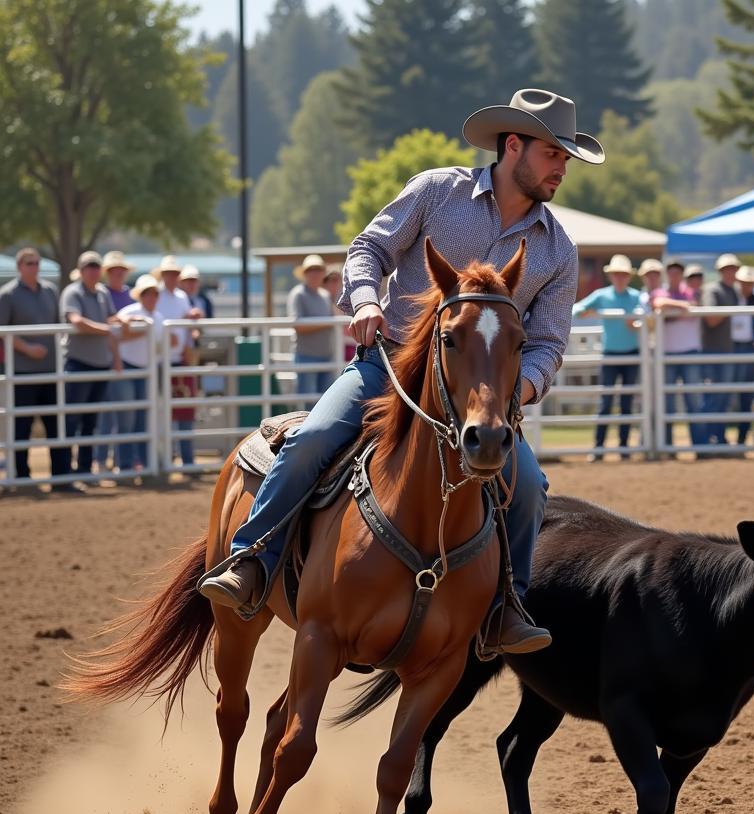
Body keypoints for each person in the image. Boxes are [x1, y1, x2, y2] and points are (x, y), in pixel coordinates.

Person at [198, 87, 604, 657]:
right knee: (313, 438)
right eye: (553, 154)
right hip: (386, 368)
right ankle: (252, 559)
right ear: (514, 146)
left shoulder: (557, 248)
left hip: (480, 400)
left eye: (565, 158)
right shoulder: (438, 191)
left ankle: (505, 606)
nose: (562, 168)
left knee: (531, 486)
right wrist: (365, 299)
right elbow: (369, 249)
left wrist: (523, 387)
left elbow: (548, 342)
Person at [0, 247, 71, 483]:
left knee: (56, 424)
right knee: (22, 427)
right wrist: (27, 348)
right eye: (29, 263)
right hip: (23, 373)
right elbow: (2, 332)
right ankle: (22, 477)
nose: (34, 267)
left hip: (51, 371)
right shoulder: (8, 295)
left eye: (37, 263)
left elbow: (59, 326)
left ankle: (61, 477)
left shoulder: (50, 291)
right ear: (20, 266)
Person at [573, 254, 643, 458]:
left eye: (623, 274)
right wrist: (588, 312)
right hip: (610, 354)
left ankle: (623, 447)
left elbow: (646, 317)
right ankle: (599, 447)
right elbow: (576, 309)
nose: (619, 278)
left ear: (628, 277)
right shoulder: (602, 296)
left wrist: (637, 323)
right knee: (605, 402)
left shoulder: (636, 296)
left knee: (627, 403)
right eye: (616, 274)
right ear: (611, 276)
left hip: (631, 354)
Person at [59, 251, 121, 476]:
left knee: (90, 421)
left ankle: (84, 469)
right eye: (90, 267)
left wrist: (123, 321)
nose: (94, 271)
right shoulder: (72, 292)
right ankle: (65, 471)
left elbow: (110, 319)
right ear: (81, 270)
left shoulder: (102, 293)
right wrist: (107, 329)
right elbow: (76, 320)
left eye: (96, 267)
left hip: (99, 364)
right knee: (72, 420)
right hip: (79, 363)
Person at [111, 274, 164, 473]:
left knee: (143, 418)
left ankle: (142, 462)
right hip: (128, 366)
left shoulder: (158, 318)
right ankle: (125, 464)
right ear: (140, 296)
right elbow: (113, 329)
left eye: (154, 294)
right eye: (147, 293)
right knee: (127, 418)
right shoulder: (129, 312)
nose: (151, 297)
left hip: (146, 370)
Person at [153, 255, 202, 466]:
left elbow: (185, 327)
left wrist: (186, 346)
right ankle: (167, 458)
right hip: (162, 360)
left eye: (174, 274)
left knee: (183, 408)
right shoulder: (158, 296)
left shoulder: (181, 297)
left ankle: (184, 458)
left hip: (179, 360)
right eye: (168, 274)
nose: (172, 277)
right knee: (164, 410)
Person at [650, 260, 704, 447]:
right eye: (671, 272)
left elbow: (693, 305)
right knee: (668, 403)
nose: (674, 276)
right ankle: (668, 447)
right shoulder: (661, 292)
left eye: (677, 273)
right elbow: (659, 303)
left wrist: (673, 308)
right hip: (667, 354)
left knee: (694, 401)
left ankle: (700, 446)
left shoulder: (691, 292)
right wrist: (681, 306)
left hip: (689, 352)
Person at [94, 252, 136, 470]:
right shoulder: (103, 294)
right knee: (107, 415)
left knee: (123, 414)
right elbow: (109, 324)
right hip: (107, 359)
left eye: (120, 270)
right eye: (113, 270)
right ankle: (101, 459)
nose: (118, 274)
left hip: (124, 360)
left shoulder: (129, 296)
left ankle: (119, 460)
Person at [700, 253, 741, 444]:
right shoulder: (713, 290)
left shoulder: (731, 291)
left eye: (733, 269)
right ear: (720, 271)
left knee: (723, 397)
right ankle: (707, 437)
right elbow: (711, 318)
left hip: (725, 349)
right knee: (714, 397)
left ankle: (718, 436)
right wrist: (730, 309)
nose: (731, 273)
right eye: (727, 269)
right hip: (712, 350)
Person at [288, 253, 339, 406]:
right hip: (306, 356)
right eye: (311, 270)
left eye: (318, 269)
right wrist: (326, 323)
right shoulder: (298, 294)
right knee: (307, 404)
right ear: (304, 273)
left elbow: (334, 320)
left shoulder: (324, 295)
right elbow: (298, 325)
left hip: (326, 356)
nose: (315, 273)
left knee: (326, 403)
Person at [732, 265, 754, 445]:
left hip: (749, 348)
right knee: (726, 393)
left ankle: (742, 438)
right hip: (731, 348)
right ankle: (721, 438)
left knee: (746, 397)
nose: (747, 286)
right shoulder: (730, 297)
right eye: (744, 283)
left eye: (750, 283)